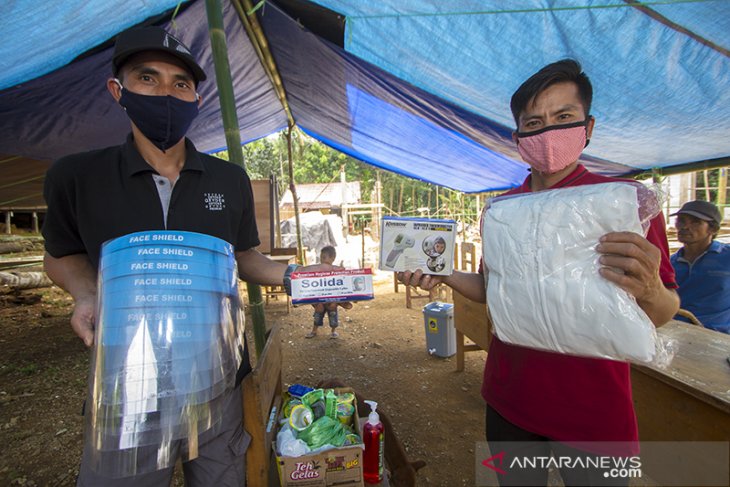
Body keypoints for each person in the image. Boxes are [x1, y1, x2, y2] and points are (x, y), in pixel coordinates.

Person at [42, 26, 324, 487]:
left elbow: (244, 257)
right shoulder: (77, 177)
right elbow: (61, 255)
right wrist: (84, 292)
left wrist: (300, 277)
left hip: (218, 386)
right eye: (147, 79)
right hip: (126, 387)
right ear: (118, 90)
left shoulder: (229, 180)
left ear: (196, 99)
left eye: (181, 84)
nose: (166, 93)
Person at [399, 59, 679, 486]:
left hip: (596, 417)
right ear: (519, 138)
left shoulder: (624, 204)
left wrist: (652, 288)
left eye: (563, 117)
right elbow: (494, 289)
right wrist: (445, 274)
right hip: (510, 403)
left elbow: (663, 311)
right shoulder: (502, 211)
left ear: (588, 126)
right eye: (534, 123)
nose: (548, 133)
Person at [670, 200, 729, 333]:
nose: (685, 226)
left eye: (695, 221)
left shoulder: (727, 257)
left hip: (720, 336)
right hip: (677, 332)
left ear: (713, 229)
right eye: (681, 220)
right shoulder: (669, 264)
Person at [305, 245, 342, 339]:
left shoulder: (337, 271)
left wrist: (337, 301)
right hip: (320, 299)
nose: (322, 260)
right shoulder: (317, 271)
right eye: (321, 258)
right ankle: (314, 330)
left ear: (332, 258)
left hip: (332, 300)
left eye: (324, 257)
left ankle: (333, 331)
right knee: (318, 314)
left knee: (333, 314)